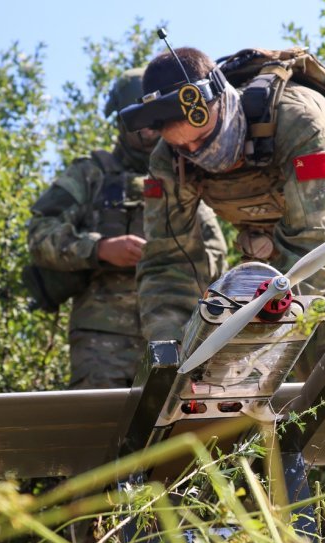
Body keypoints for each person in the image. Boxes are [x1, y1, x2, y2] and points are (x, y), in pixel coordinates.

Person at [123, 47, 325, 543]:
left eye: (205, 135)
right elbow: (169, 264)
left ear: (220, 97)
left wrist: (255, 336)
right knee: (262, 393)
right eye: (187, 147)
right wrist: (175, 360)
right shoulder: (168, 162)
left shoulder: (296, 118)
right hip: (275, 243)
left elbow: (313, 244)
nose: (200, 152)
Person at [26, 67, 227, 390]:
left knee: (174, 426)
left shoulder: (183, 174)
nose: (151, 127)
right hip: (104, 339)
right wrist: (99, 249)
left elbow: (216, 252)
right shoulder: (91, 174)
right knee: (98, 427)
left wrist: (172, 257)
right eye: (142, 118)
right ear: (123, 118)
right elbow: (40, 234)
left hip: (176, 328)